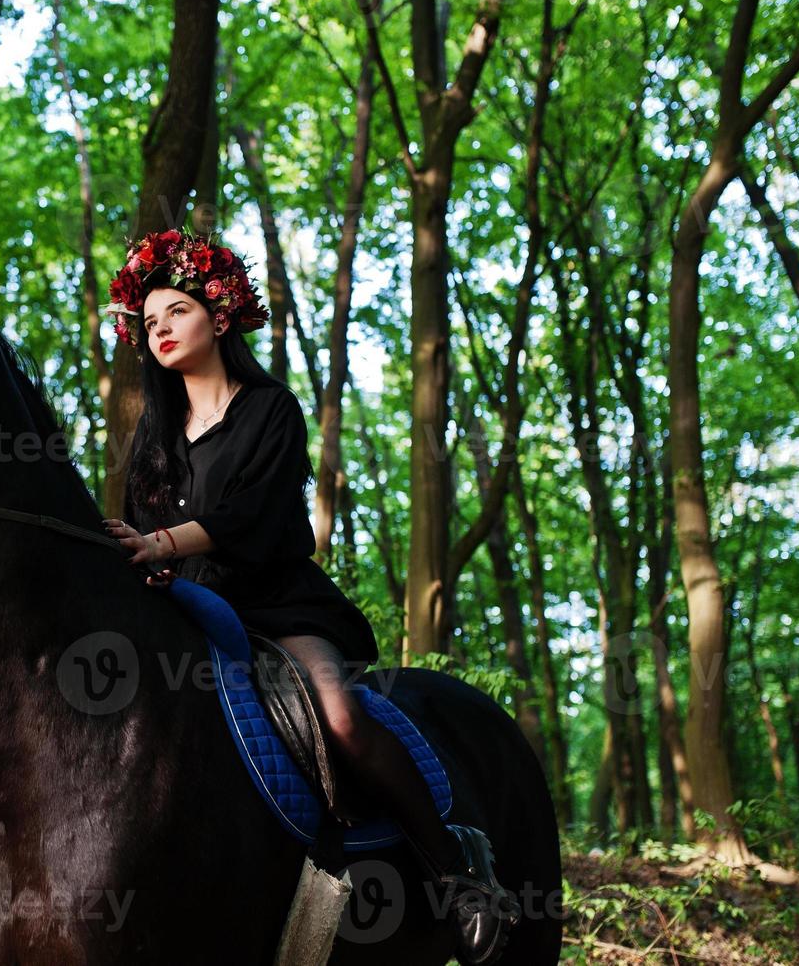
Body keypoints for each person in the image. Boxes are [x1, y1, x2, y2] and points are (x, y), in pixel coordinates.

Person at [99, 229, 518, 964]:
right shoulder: (153, 436)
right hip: (187, 608)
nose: (159, 328)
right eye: (150, 321)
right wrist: (140, 555)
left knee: (341, 717)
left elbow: (252, 515)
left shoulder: (270, 409)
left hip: (275, 604)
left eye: (175, 312)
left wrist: (164, 544)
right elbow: (145, 527)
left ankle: (458, 875)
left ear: (219, 318)